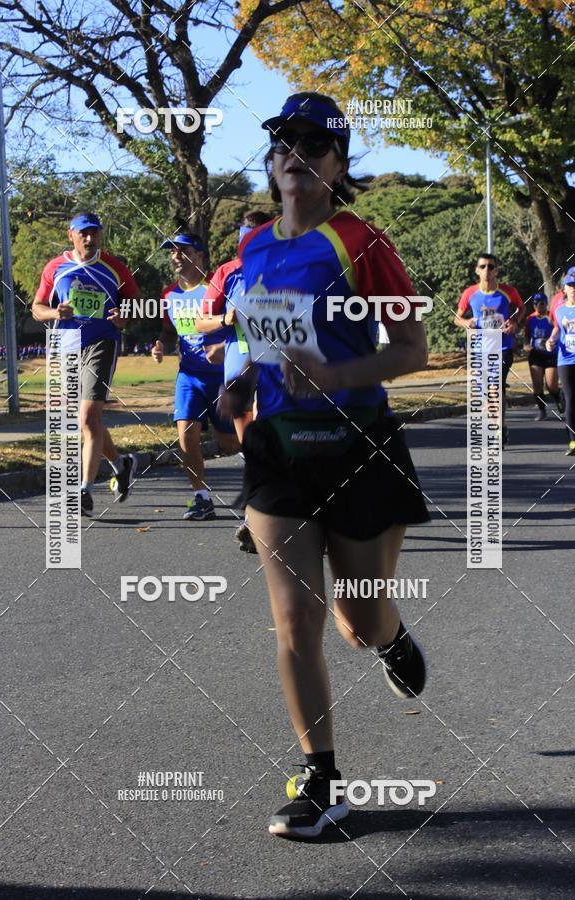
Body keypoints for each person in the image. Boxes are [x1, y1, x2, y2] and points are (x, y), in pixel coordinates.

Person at [220, 92, 430, 840]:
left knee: (358, 620)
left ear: (338, 166)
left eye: (314, 144)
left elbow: (413, 351)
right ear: (272, 163)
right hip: (277, 448)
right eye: (282, 143)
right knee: (294, 617)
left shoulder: (361, 242)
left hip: (357, 446)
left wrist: (337, 377)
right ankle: (321, 782)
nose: (294, 155)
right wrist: (239, 381)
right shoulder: (251, 248)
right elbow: (248, 337)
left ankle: (393, 636)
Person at [32, 212, 138, 516]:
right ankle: (122, 464)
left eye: (95, 233)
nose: (90, 239)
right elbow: (37, 308)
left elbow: (135, 301)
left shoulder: (115, 268)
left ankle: (84, 491)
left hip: (101, 341)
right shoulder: (55, 267)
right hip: (66, 344)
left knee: (89, 416)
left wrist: (125, 317)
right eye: (84, 233)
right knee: (86, 421)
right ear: (71, 235)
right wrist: (56, 313)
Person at [196, 209, 273, 551]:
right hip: (238, 369)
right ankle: (259, 522)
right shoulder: (226, 273)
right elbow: (201, 322)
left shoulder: (291, 267)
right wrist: (225, 318)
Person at [152, 232, 239, 519]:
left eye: (182, 250)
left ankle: (267, 476)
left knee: (228, 442)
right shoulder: (169, 294)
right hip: (188, 375)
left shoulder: (219, 284)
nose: (176, 256)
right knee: (185, 434)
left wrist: (222, 346)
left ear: (199, 254)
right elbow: (168, 328)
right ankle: (200, 497)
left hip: (222, 376)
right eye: (172, 252)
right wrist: (161, 343)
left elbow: (236, 322)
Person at [454, 253, 525, 447]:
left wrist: (515, 323)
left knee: (495, 389)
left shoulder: (508, 291)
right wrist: (466, 323)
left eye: (491, 266)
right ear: (477, 270)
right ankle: (500, 425)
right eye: (483, 266)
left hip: (502, 346)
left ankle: (497, 431)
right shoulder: (470, 294)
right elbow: (456, 317)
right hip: (480, 350)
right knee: (488, 393)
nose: (487, 270)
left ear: (497, 270)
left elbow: (521, 307)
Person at [546, 268, 575, 455]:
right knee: (571, 399)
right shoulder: (559, 309)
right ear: (564, 289)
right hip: (565, 359)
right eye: (570, 285)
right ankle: (573, 440)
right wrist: (551, 340)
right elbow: (557, 328)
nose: (573, 288)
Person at [524, 293, 562, 420]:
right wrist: (526, 345)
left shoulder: (551, 317)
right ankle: (542, 410)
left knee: (551, 385)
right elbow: (527, 336)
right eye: (535, 303)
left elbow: (559, 331)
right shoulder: (530, 319)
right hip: (536, 354)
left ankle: (559, 399)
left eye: (541, 303)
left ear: (546, 304)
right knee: (537, 384)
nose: (538, 306)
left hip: (551, 354)